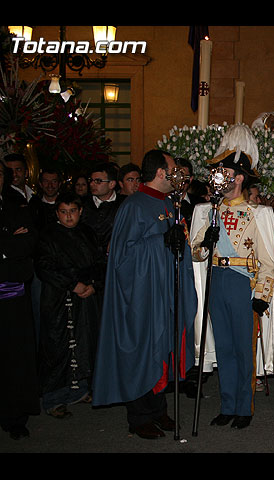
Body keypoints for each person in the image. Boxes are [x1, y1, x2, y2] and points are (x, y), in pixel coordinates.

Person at [190, 124, 274, 429]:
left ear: (238, 177)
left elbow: (267, 261)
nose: (219, 178)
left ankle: (243, 407)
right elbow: (196, 252)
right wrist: (205, 242)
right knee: (223, 346)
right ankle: (227, 404)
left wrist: (262, 295)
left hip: (241, 283)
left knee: (242, 348)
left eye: (224, 172)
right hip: (217, 280)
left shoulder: (255, 213)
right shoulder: (211, 210)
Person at [92, 149, 198, 440]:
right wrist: (160, 241)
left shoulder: (167, 202)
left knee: (163, 347)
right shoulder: (134, 206)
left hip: (164, 292)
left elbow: (174, 248)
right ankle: (139, 415)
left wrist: (180, 244)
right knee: (143, 349)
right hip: (141, 296)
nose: (177, 174)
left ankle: (157, 408)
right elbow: (124, 257)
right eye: (173, 169)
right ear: (161, 173)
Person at [35, 192, 105, 419]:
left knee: (86, 342)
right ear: (57, 213)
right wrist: (72, 284)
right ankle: (55, 398)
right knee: (58, 347)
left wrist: (94, 285)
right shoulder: (48, 235)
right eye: (63, 212)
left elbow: (99, 262)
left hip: (86, 298)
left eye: (72, 211)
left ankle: (81, 389)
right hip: (59, 299)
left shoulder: (87, 233)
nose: (68, 217)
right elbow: (44, 266)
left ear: (80, 211)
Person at [0, 161, 40, 440]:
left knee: (15, 357)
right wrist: (10, 244)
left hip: (12, 292)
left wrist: (10, 246)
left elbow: (29, 242)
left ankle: (15, 416)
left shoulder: (15, 202)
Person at [81, 162, 125, 257]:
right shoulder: (82, 204)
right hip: (87, 260)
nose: (92, 184)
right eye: (91, 180)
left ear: (112, 184)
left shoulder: (124, 204)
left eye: (98, 181)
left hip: (115, 259)